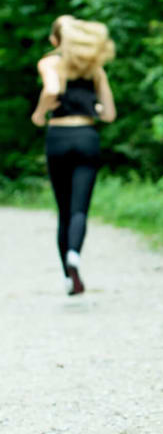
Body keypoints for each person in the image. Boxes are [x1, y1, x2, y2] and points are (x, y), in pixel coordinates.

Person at [31, 15, 116, 295]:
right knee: (80, 209)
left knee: (64, 211)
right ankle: (75, 256)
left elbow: (52, 89)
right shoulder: (95, 68)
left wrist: (39, 114)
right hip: (86, 137)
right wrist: (96, 110)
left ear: (55, 40)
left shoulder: (50, 62)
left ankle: (68, 278)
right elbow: (110, 114)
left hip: (58, 138)